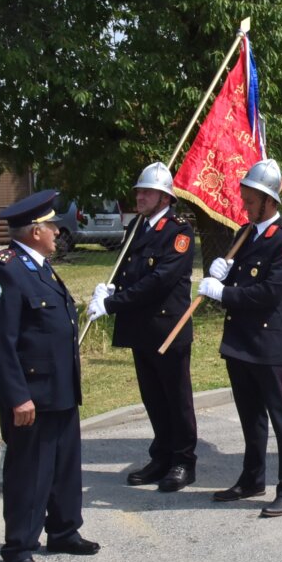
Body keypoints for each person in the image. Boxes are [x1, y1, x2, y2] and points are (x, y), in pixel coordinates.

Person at [0, 190, 99, 562]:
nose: (57, 233)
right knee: (29, 471)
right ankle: (19, 546)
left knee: (65, 465)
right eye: (52, 227)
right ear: (35, 231)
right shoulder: (5, 268)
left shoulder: (41, 266)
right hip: (30, 393)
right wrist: (17, 397)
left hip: (60, 387)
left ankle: (64, 530)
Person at [197, 159, 282, 518]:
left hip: (267, 342)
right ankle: (251, 478)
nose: (245, 204)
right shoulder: (244, 234)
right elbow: (238, 282)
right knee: (250, 416)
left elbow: (267, 294)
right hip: (240, 340)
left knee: (281, 417)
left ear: (269, 200)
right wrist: (221, 274)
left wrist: (222, 293)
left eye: (251, 198)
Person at [87, 163, 197, 492]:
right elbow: (129, 268)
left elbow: (159, 280)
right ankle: (161, 456)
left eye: (146, 191)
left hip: (166, 328)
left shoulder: (179, 231)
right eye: (138, 191)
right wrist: (112, 289)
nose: (139, 196)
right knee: (153, 397)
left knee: (176, 398)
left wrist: (114, 303)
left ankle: (183, 461)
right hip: (141, 329)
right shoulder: (137, 226)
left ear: (164, 197)